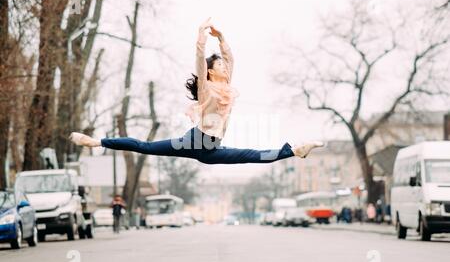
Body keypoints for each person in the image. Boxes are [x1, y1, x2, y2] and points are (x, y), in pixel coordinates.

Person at [69, 18, 324, 165]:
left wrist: (222, 38)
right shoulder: (206, 87)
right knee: (144, 146)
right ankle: (96, 142)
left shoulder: (227, 87)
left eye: (224, 65)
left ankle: (296, 150)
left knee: (254, 156)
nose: (224, 66)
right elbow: (200, 59)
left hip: (212, 149)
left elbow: (231, 60)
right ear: (211, 71)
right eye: (220, 65)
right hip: (193, 141)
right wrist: (201, 38)